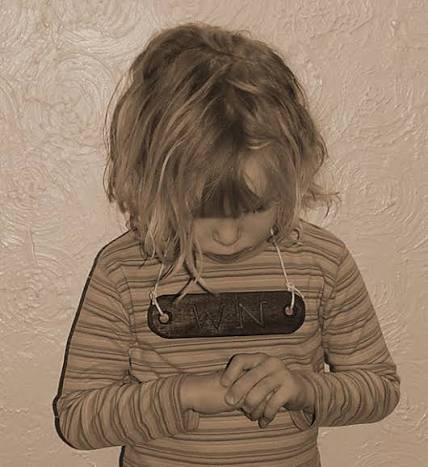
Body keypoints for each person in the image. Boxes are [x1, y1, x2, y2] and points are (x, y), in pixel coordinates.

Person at [53, 21, 400, 467]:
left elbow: (379, 388)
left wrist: (304, 389)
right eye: (203, 211)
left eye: (254, 208)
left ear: (291, 173)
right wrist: (185, 395)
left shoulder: (321, 262)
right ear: (155, 180)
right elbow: (78, 418)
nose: (229, 235)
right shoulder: (125, 269)